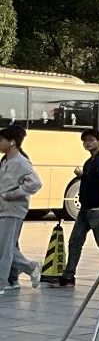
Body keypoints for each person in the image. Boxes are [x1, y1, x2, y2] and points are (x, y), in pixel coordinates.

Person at [55, 127, 99, 287]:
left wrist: (83, 176)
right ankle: (68, 276)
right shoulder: (89, 162)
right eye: (85, 141)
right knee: (75, 241)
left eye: (91, 140)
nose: (88, 143)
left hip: (97, 210)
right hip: (85, 209)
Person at [0, 126, 42, 294]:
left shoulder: (21, 162)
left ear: (12, 142)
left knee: (4, 249)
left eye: (1, 140)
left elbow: (35, 183)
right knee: (6, 247)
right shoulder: (5, 161)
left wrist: (14, 194)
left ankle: (2, 283)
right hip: (3, 209)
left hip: (12, 210)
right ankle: (30, 268)